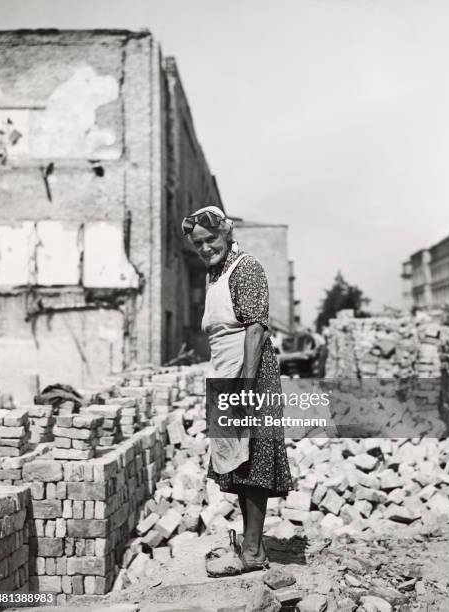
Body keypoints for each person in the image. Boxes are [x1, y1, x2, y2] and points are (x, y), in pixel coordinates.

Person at [181, 205, 292, 576]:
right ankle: (251, 546)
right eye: (199, 243)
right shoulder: (215, 273)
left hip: (250, 374)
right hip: (225, 374)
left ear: (227, 233)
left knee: (253, 459)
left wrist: (243, 387)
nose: (206, 247)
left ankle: (254, 550)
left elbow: (256, 330)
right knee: (238, 461)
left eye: (211, 239)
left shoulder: (246, 267)